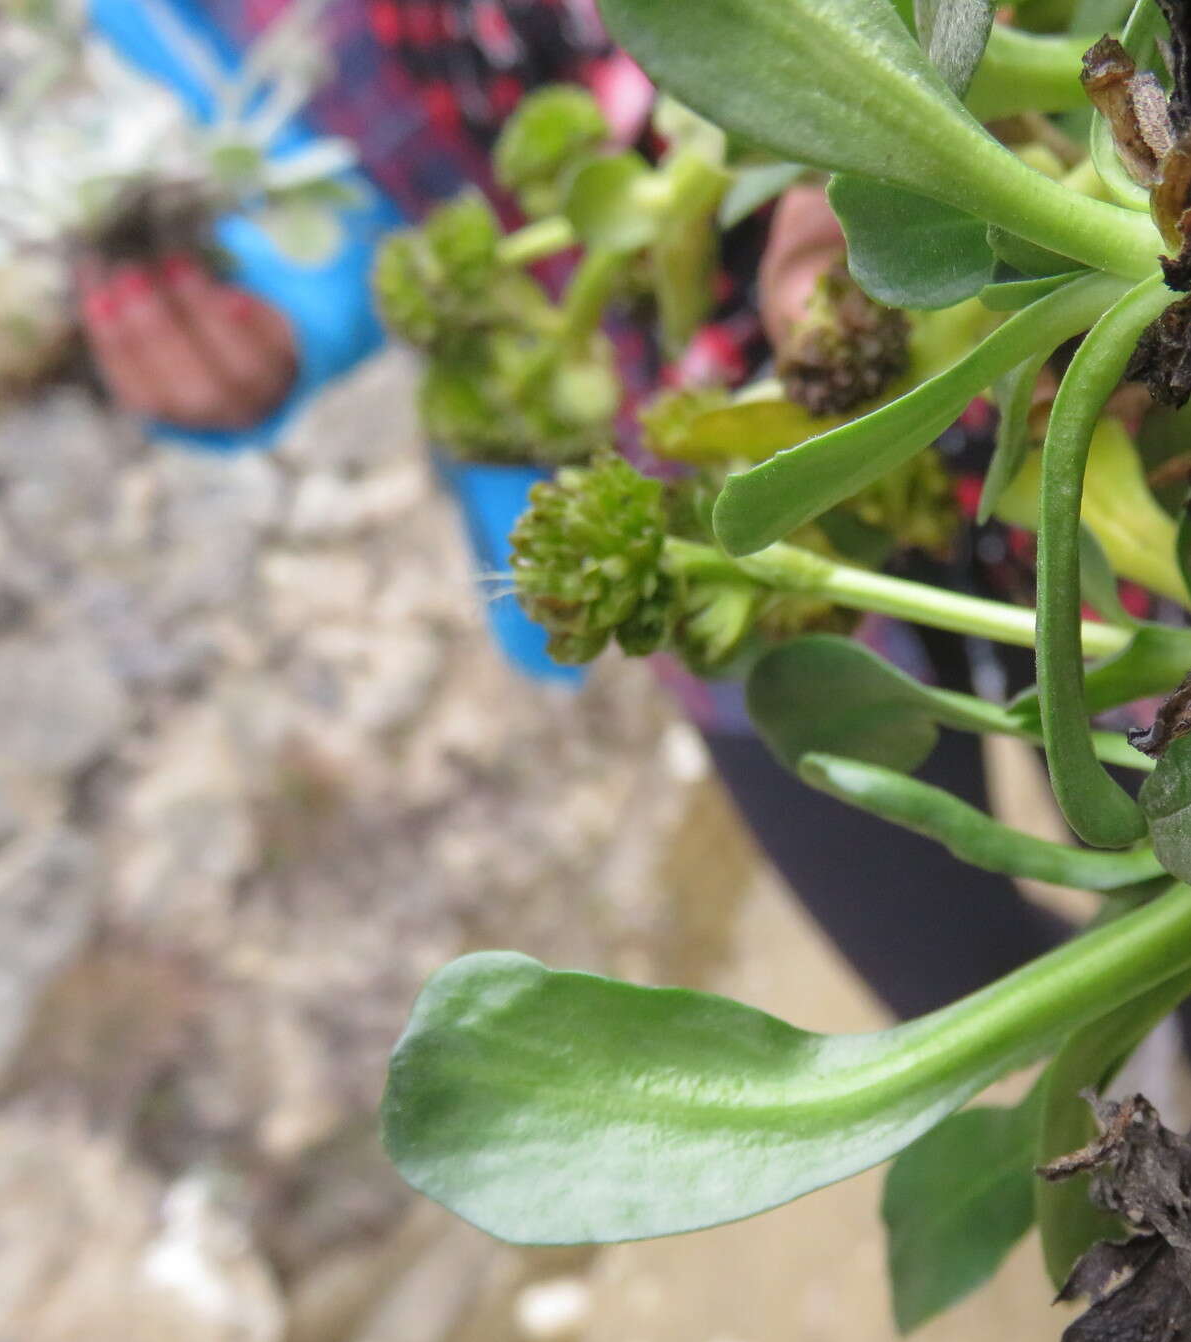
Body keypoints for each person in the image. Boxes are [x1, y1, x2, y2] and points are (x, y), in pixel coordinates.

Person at [76, 0, 1084, 1018]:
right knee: (952, 980)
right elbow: (349, 223)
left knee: (1179, 847)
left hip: (1000, 306)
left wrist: (877, 100)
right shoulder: (142, 21)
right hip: (689, 474)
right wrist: (255, 335)